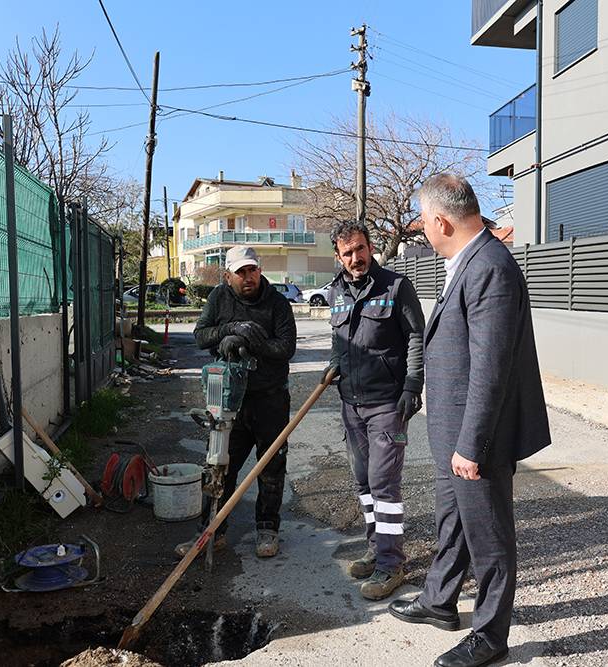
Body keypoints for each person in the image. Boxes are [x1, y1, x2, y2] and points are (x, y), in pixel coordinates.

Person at [388, 174, 550, 667]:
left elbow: (492, 367)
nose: (422, 231)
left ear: (440, 220)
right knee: (451, 521)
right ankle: (439, 600)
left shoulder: (490, 267)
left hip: (477, 436)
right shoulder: (467, 261)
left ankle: (491, 634)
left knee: (489, 535)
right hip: (451, 431)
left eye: (422, 221)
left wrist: (472, 445)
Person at [322, 221, 425, 600]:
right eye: (347, 253)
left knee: (384, 484)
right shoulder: (335, 293)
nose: (355, 258)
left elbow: (416, 335)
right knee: (364, 483)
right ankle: (375, 545)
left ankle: (391, 563)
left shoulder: (396, 287)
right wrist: (334, 363)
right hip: (351, 404)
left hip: (387, 405)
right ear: (338, 255)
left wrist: (413, 385)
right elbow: (341, 341)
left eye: (360, 249)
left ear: (371, 247)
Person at [178, 245, 297, 559]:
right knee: (221, 465)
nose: (248, 277)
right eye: (241, 272)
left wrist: (252, 341)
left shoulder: (277, 303)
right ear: (228, 275)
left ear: (259, 270)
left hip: (270, 398)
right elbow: (201, 335)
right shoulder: (219, 298)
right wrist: (231, 329)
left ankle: (268, 528)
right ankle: (212, 532)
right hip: (230, 401)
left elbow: (286, 348)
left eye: (253, 270)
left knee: (271, 466)